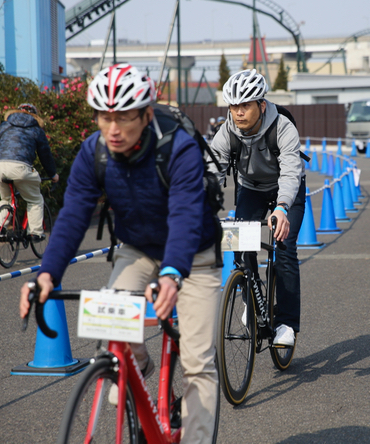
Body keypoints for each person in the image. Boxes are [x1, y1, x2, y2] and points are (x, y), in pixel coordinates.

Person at [18, 64, 220, 443]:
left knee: (197, 364)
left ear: (146, 115)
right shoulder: (93, 152)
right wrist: (47, 274)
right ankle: (134, 364)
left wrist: (174, 272)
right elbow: (74, 213)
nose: (113, 128)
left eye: (125, 117)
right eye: (104, 117)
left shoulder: (178, 148)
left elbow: (185, 214)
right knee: (112, 335)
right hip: (138, 250)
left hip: (193, 255)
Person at [208, 69, 305, 347]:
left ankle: (286, 323)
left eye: (245, 105)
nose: (238, 112)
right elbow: (212, 171)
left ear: (261, 105)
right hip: (251, 189)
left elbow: (290, 171)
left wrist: (283, 208)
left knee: (284, 249)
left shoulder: (283, 126)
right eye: (233, 106)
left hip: (286, 191)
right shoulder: (227, 131)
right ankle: (252, 298)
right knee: (240, 245)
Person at [0, 103, 59, 240]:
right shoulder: (36, 129)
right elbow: (45, 155)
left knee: (6, 199)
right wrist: (53, 174)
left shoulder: (4, 125)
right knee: (34, 199)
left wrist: (1, 162)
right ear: (35, 115)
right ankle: (35, 232)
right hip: (20, 168)